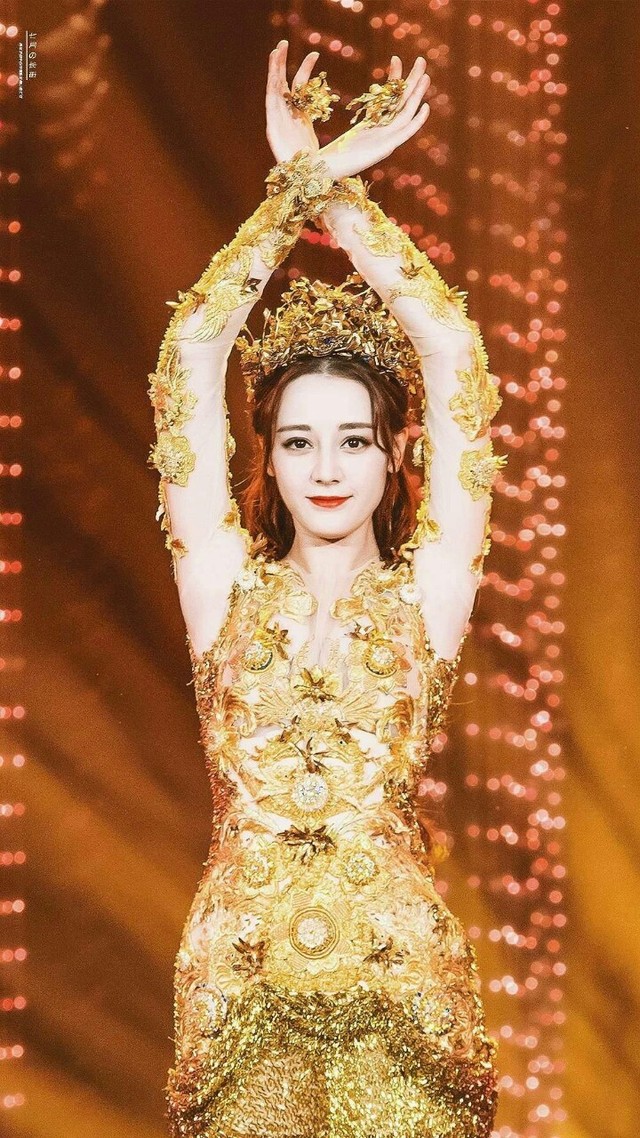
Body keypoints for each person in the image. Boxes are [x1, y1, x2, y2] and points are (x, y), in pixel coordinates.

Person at [148, 41, 506, 1138]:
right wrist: (297, 186)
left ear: (396, 454)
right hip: (238, 1000)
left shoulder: (428, 594)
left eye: (354, 438)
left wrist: (339, 198)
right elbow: (192, 353)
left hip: (406, 1004)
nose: (327, 466)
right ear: (266, 455)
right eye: (299, 440)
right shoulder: (220, 585)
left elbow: (453, 357)